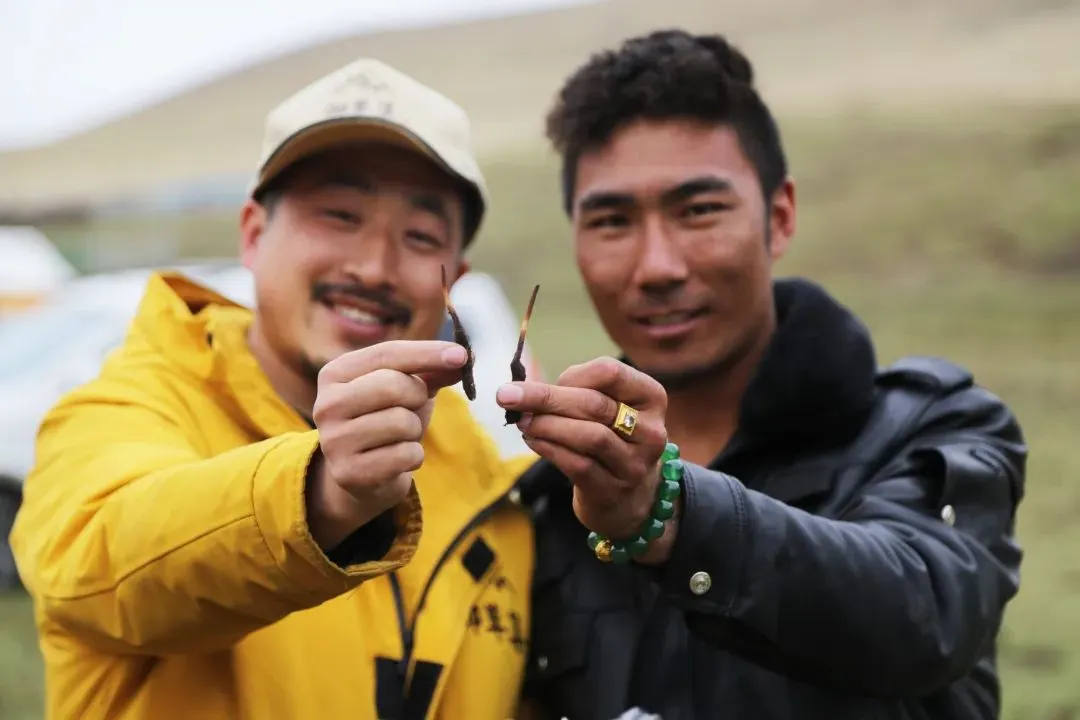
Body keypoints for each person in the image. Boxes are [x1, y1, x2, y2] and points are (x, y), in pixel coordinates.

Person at [497, 29, 1027, 720]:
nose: (656, 266)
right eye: (612, 220)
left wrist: (669, 515)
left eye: (699, 211)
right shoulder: (549, 499)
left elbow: (925, 614)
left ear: (779, 218)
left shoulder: (931, 429)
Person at [10, 57, 537, 720]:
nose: (374, 266)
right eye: (340, 215)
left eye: (420, 236)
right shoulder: (123, 410)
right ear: (254, 234)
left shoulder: (488, 486)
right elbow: (97, 566)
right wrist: (320, 492)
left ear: (453, 279)